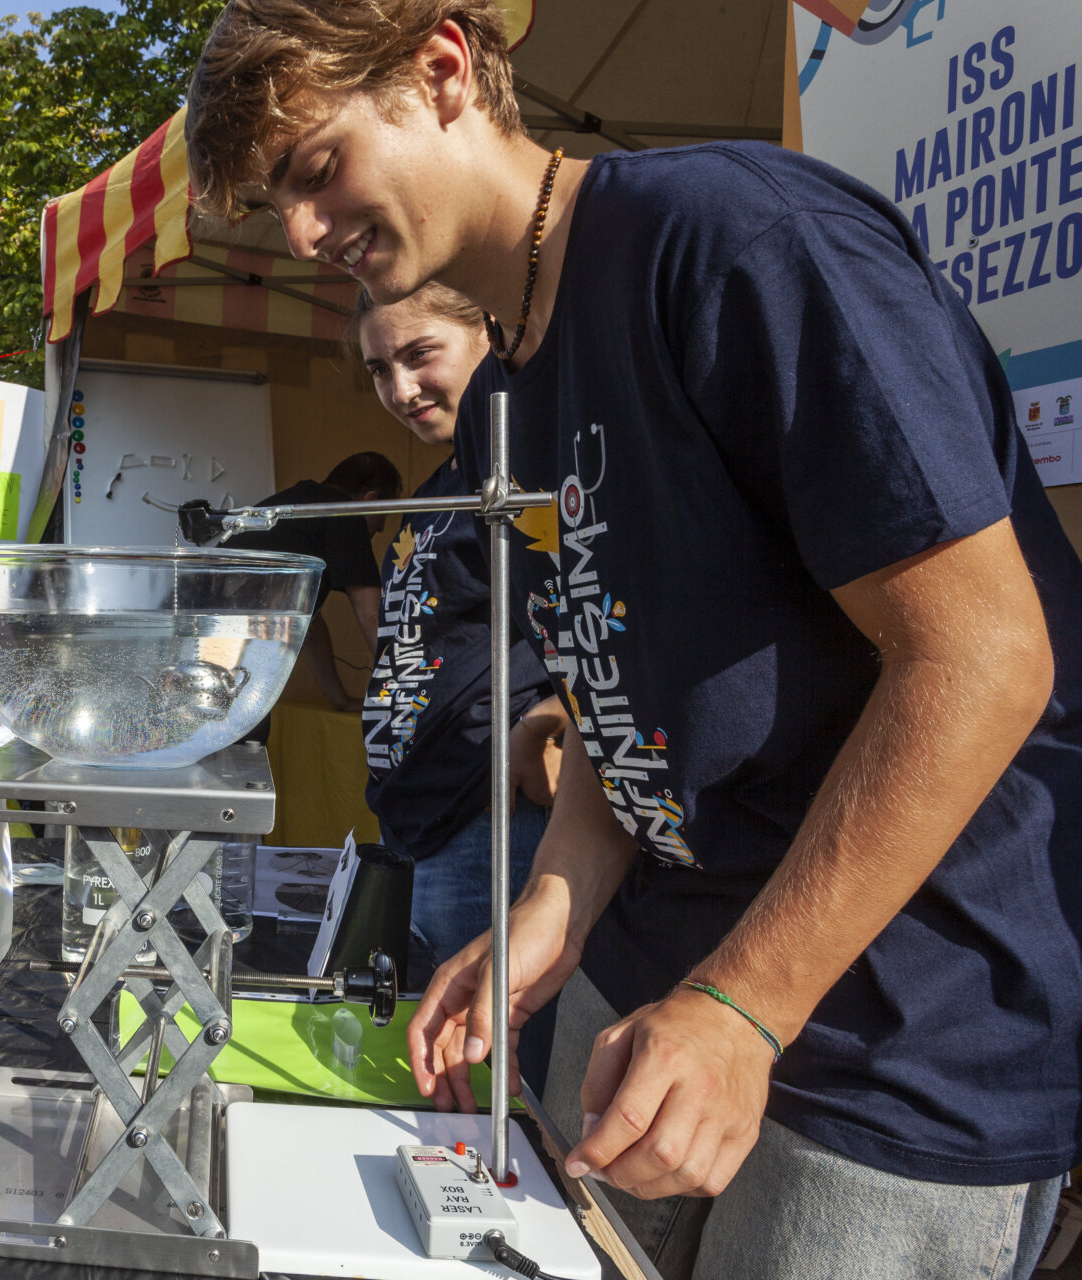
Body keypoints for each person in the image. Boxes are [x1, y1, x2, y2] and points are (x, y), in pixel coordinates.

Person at [186, 3, 1082, 1277]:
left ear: (442, 70)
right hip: (657, 983)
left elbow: (985, 657)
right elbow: (630, 681)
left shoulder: (734, 239)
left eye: (318, 168)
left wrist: (740, 1005)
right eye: (278, 201)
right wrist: (556, 899)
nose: (305, 232)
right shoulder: (507, 387)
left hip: (889, 1037)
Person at [351, 284, 566, 1008]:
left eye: (419, 355)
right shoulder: (443, 481)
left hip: (492, 826)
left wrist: (547, 724)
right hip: (423, 821)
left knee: (489, 1062)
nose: (400, 388)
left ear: (488, 335)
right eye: (379, 369)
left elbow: (605, 613)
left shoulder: (530, 471)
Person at [223, 451, 399, 714]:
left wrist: (340, 700)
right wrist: (407, 689)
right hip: (224, 646)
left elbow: (310, 627)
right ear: (370, 501)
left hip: (193, 631)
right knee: (246, 730)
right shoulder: (342, 511)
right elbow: (373, 615)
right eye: (383, 516)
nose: (382, 529)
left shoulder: (299, 507)